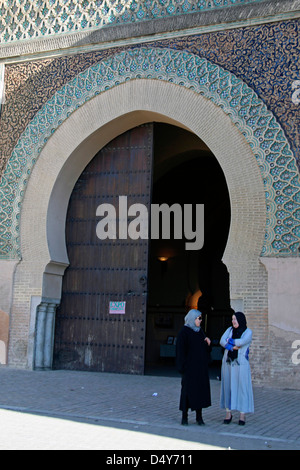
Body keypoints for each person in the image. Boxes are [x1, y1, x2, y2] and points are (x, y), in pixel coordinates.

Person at [176, 309, 211, 425]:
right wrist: (183, 367)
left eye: (201, 318)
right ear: (192, 319)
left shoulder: (200, 332)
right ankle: (184, 417)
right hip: (189, 369)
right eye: (199, 318)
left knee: (199, 392)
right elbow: (180, 351)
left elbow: (204, 350)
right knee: (187, 392)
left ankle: (199, 417)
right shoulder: (184, 332)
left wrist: (208, 343)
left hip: (200, 369)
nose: (200, 321)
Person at [219, 311, 254, 425]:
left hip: (241, 364)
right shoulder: (229, 330)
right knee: (228, 387)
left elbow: (243, 341)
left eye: (235, 319)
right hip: (228, 363)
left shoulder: (248, 332)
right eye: (232, 319)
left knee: (242, 388)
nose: (233, 321)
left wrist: (229, 342)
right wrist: (231, 346)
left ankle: (242, 415)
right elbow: (221, 341)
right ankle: (228, 413)